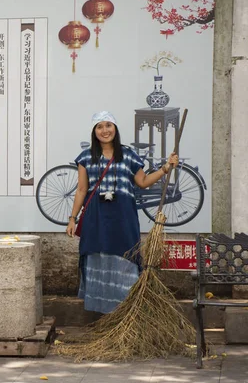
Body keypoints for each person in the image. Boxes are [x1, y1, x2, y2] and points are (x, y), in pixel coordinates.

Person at [65, 111, 178, 314]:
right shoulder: (85, 157)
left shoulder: (128, 155)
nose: (105, 130)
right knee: (97, 254)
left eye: (109, 125)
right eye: (100, 126)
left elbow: (142, 182)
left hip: (123, 216)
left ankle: (124, 313)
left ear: (115, 129)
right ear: (94, 131)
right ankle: (101, 313)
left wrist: (165, 168)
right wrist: (72, 219)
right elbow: (82, 189)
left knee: (126, 256)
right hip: (96, 216)